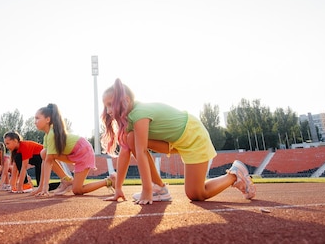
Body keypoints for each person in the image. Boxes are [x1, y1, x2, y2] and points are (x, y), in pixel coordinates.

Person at [101, 78, 256, 205]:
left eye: (110, 105)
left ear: (126, 101)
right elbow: (125, 151)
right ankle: (160, 189)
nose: (108, 111)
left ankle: (234, 175)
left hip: (194, 137)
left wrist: (146, 190)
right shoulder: (130, 121)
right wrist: (118, 188)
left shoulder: (139, 114)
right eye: (105, 106)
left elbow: (141, 152)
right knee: (130, 139)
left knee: (196, 194)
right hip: (176, 141)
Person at [35, 103, 115, 197]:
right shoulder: (47, 136)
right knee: (44, 153)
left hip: (84, 151)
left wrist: (45, 188)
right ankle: (67, 180)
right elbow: (46, 161)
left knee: (77, 190)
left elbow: (48, 162)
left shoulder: (52, 134)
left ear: (48, 120)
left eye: (37, 118)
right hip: (73, 153)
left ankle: (109, 181)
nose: (34, 121)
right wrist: (40, 187)